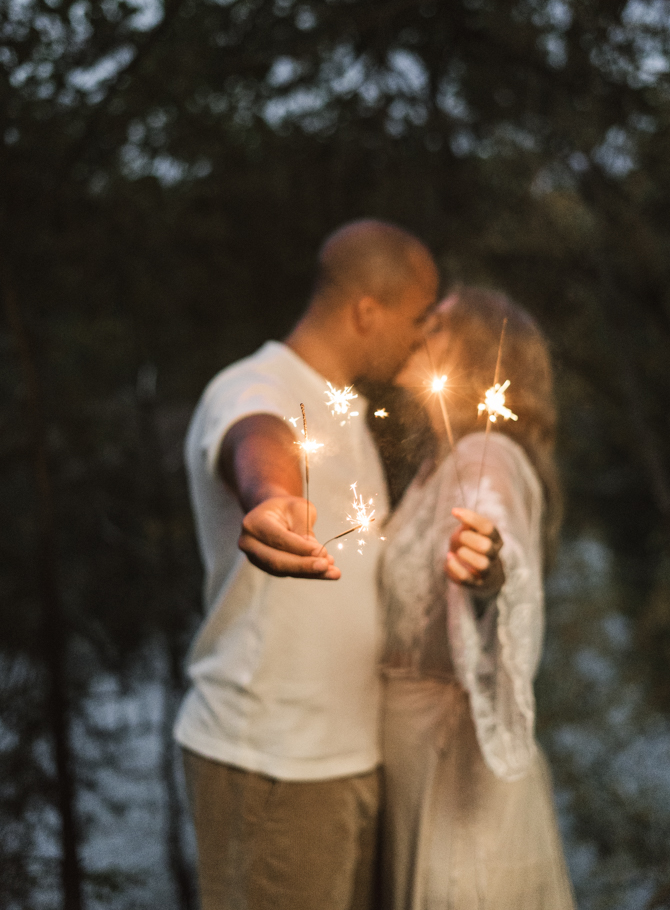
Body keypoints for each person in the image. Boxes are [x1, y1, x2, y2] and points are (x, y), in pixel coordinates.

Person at [174, 221, 503, 910]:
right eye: (416, 319)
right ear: (365, 311)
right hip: (272, 761)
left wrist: (479, 573)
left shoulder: (346, 411)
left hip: (345, 754)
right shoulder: (253, 384)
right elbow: (258, 436)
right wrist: (273, 498)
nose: (420, 338)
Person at [380, 286, 576, 910]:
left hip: (455, 778)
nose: (416, 331)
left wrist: (490, 573)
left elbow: (500, 542)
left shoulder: (484, 456)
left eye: (435, 325)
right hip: (412, 762)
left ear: (478, 357)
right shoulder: (436, 464)